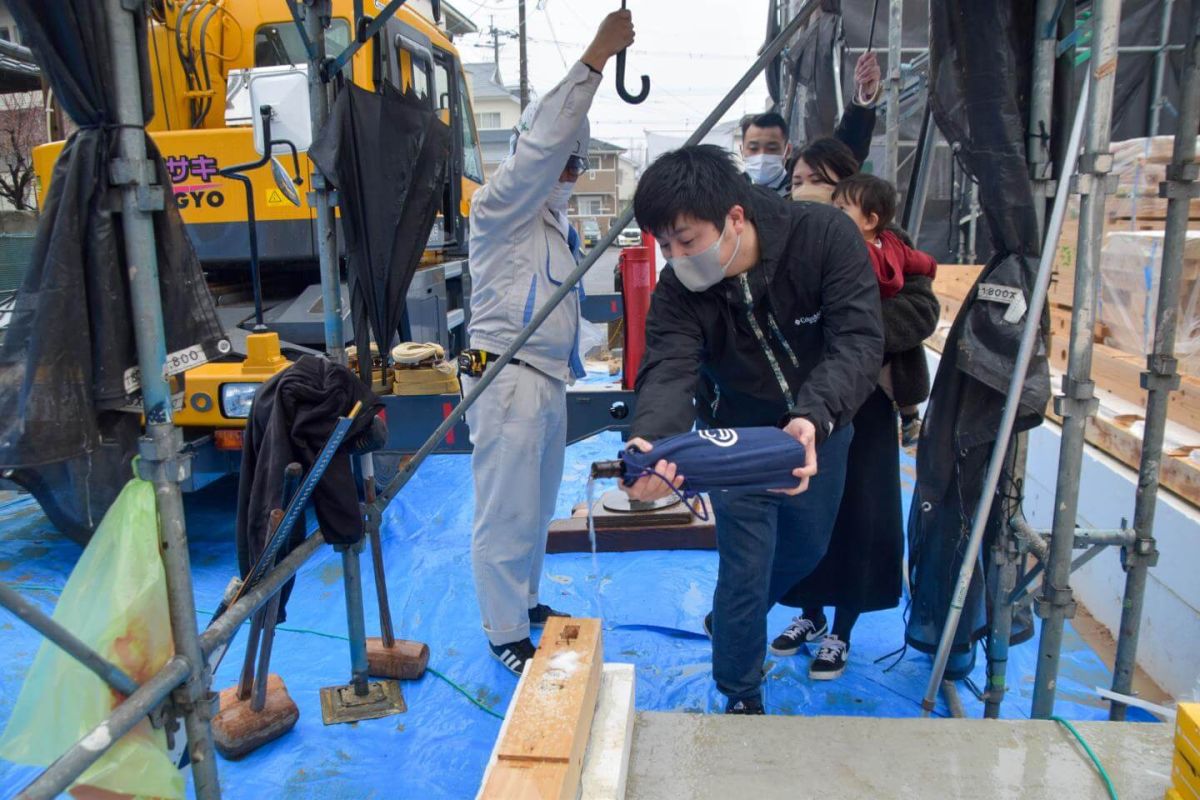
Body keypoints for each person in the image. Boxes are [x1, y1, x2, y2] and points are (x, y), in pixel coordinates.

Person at [623, 144, 884, 714]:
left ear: (734, 218)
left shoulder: (823, 238)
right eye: (664, 245)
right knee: (745, 566)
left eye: (686, 241)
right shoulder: (679, 293)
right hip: (735, 437)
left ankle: (733, 619)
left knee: (806, 548)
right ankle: (740, 691)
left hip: (821, 424)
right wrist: (653, 442)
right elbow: (669, 369)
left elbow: (858, 341)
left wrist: (814, 417)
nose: (676, 257)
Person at [462, 10, 635, 675]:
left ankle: (526, 601)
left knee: (533, 507)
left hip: (544, 380)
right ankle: (504, 631)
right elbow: (539, 149)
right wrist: (594, 60)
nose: (568, 170)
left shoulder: (557, 231)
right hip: (504, 375)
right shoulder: (502, 206)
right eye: (562, 159)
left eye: (577, 162)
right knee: (505, 511)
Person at [769, 173, 940, 680]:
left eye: (815, 182)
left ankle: (843, 628)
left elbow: (923, 307)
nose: (803, 189)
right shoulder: (796, 241)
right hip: (809, 405)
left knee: (860, 513)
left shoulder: (892, 251)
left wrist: (854, 327)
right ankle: (810, 615)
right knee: (805, 509)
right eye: (796, 179)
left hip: (867, 403)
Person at [834, 173, 938, 446]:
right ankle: (910, 416)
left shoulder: (850, 248)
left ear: (870, 220)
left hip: (877, 342)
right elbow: (921, 262)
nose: (833, 215)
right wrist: (930, 267)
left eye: (842, 209)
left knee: (895, 373)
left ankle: (910, 416)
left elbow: (922, 299)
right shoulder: (892, 246)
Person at [741, 52, 881, 195]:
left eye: (772, 148)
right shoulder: (728, 194)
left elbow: (848, 149)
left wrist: (862, 99)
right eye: (753, 148)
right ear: (742, 150)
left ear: (787, 150)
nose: (762, 156)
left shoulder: (804, 179)